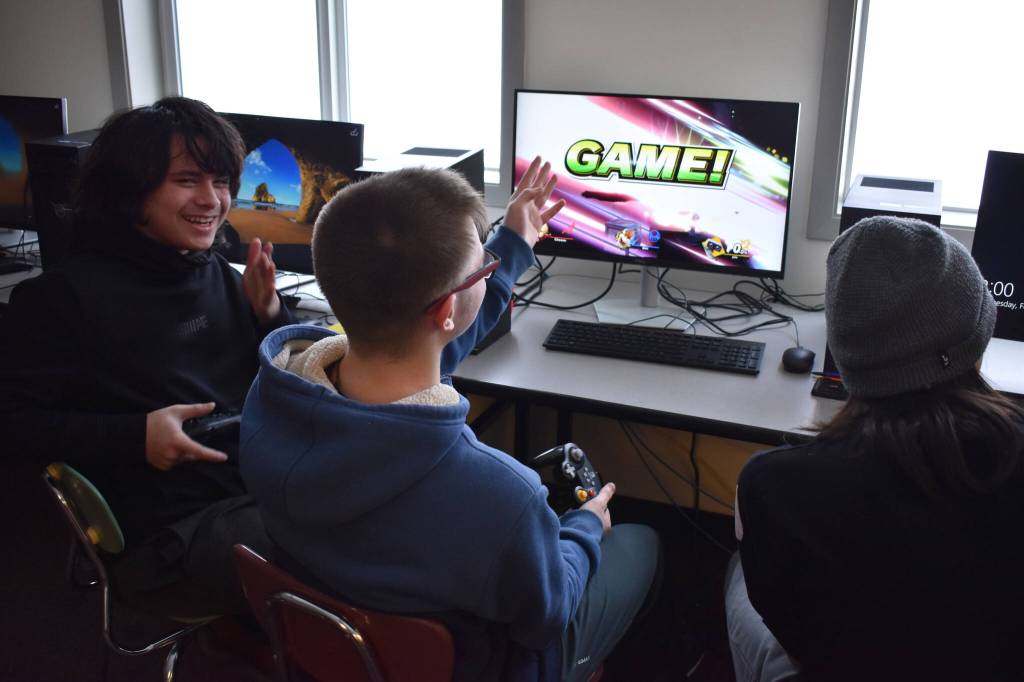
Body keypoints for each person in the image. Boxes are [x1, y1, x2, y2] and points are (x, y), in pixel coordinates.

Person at [240, 159, 661, 682]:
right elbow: (545, 615)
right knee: (642, 544)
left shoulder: (270, 398)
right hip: (485, 667)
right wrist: (583, 529)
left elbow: (433, 339)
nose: (490, 267)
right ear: (444, 310)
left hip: (334, 648)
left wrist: (514, 242)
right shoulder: (501, 495)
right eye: (482, 266)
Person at [0, 97, 294, 614]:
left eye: (221, 181)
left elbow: (277, 387)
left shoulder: (217, 274)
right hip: (167, 529)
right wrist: (136, 437)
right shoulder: (62, 299)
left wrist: (269, 317)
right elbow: (12, 424)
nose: (213, 199)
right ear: (130, 192)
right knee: (335, 551)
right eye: (188, 180)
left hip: (255, 485)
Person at [727, 216, 1024, 681]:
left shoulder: (769, 486)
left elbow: (790, 626)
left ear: (843, 359)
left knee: (736, 576)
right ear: (978, 340)